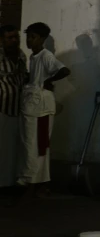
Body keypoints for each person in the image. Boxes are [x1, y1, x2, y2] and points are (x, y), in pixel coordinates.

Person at [18, 23, 69, 196]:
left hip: (41, 108)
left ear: (42, 39)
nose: (29, 40)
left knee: (37, 145)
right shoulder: (33, 57)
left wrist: (48, 81)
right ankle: (39, 182)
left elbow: (64, 70)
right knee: (33, 145)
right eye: (28, 36)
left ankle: (32, 183)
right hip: (32, 106)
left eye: (33, 37)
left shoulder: (46, 56)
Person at [0, 24, 28, 188]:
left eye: (16, 37)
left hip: (18, 108)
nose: (14, 40)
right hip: (2, 107)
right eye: (9, 37)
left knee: (14, 149)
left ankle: (11, 183)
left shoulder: (21, 55)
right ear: (2, 40)